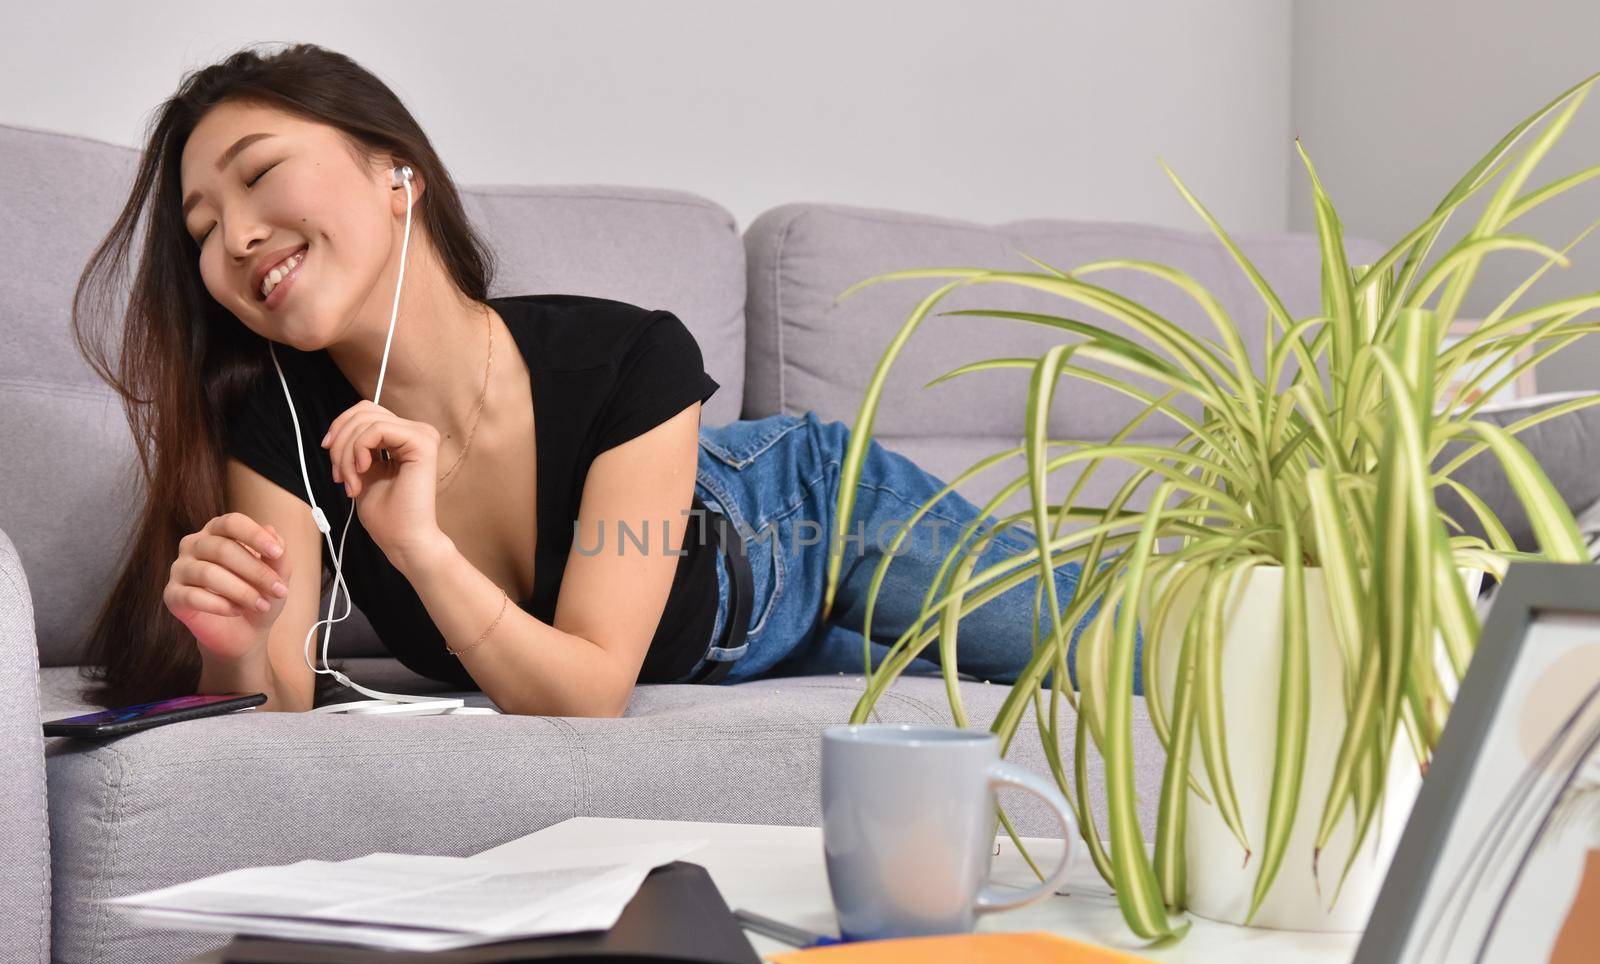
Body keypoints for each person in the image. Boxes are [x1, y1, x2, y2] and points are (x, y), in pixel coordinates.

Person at [74, 42, 1117, 717]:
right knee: (987, 684)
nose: (237, 235)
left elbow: (587, 690)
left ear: (397, 173)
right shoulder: (280, 425)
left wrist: (424, 551)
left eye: (257, 175)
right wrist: (237, 646)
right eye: (202, 229)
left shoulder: (624, 356)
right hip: (740, 645)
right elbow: (275, 715)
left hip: (806, 521)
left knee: (1115, 646)